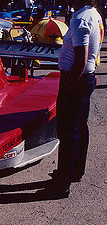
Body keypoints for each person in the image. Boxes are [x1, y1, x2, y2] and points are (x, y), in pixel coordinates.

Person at [39, 0, 103, 198]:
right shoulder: (93, 13)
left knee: (68, 132)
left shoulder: (82, 19)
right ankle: (74, 171)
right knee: (80, 127)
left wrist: (67, 88)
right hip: (85, 79)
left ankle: (62, 184)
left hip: (77, 79)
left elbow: (80, 61)